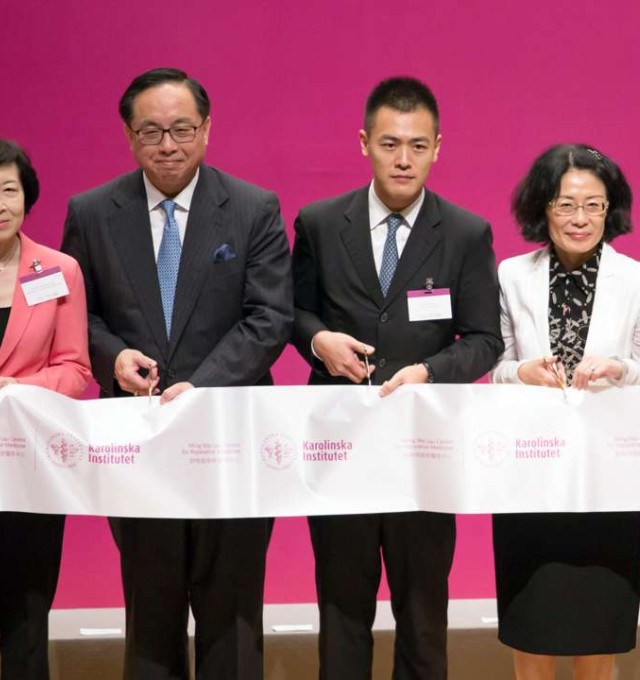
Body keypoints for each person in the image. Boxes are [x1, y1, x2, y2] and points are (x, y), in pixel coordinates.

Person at [60, 68, 293, 679]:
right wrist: (113, 357)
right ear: (129, 137)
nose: (168, 145)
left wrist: (204, 385)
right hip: (138, 446)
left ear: (207, 129)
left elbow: (269, 319)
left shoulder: (251, 208)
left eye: (182, 129)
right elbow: (77, 315)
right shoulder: (91, 212)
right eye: (152, 132)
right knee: (151, 619)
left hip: (230, 443)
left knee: (233, 620)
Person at [290, 76, 502, 679]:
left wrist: (430, 372)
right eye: (389, 144)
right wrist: (317, 340)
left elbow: (486, 340)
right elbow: (293, 312)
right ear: (363, 143)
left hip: (424, 448)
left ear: (439, 147)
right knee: (342, 608)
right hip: (338, 443)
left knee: (423, 613)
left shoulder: (465, 233)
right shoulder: (320, 223)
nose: (403, 158)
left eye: (417, 144)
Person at [489, 143, 640, 680]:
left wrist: (617, 368)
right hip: (530, 477)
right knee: (531, 628)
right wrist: (520, 373)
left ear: (610, 210)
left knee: (597, 630)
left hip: (607, 479)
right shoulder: (511, 276)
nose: (580, 218)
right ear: (543, 207)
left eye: (594, 205)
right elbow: (496, 365)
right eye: (566, 205)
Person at [0, 139, 91, 680]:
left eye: (8, 190)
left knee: (27, 614)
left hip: (28, 467)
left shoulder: (56, 271)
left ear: (26, 196)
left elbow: (76, 368)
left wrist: (14, 390)